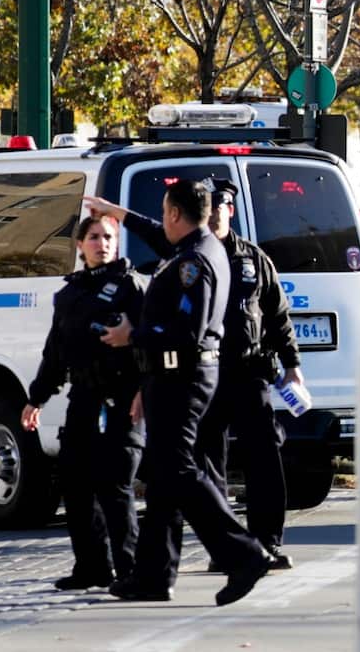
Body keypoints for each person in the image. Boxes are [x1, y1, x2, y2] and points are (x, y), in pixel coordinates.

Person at [88, 179, 303, 571]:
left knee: (256, 458)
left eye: (224, 206)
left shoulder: (236, 259)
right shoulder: (192, 251)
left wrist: (292, 366)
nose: (218, 212)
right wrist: (115, 211)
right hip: (207, 376)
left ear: (229, 211)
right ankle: (224, 550)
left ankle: (260, 543)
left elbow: (276, 315)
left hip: (246, 369)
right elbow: (153, 231)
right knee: (202, 462)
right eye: (213, 205)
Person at [20, 216, 146, 591]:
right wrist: (36, 398)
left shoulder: (132, 287)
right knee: (75, 482)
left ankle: (130, 569)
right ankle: (92, 566)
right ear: (80, 245)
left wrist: (144, 389)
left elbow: (154, 340)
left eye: (108, 237)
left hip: (123, 397)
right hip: (84, 398)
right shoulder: (70, 293)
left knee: (115, 482)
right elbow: (55, 352)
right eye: (94, 237)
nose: (102, 243)